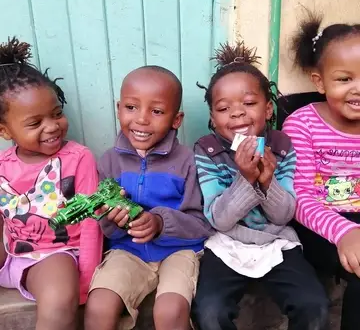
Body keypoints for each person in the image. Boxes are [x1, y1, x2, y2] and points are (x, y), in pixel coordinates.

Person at [191, 42, 329, 330]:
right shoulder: (207, 150)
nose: (238, 114)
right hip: (226, 244)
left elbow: (283, 215)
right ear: (213, 119)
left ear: (268, 109)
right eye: (223, 108)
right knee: (209, 311)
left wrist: (267, 179)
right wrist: (246, 177)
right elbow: (219, 218)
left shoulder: (282, 146)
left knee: (313, 305)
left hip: (277, 241)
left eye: (249, 103)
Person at [84, 65, 213, 330]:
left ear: (176, 119)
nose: (142, 119)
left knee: (170, 311)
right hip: (127, 251)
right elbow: (104, 223)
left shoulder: (189, 161)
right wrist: (113, 220)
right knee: (99, 305)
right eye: (131, 107)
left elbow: (200, 224)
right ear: (119, 108)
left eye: (156, 111)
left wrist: (160, 223)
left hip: (178, 251)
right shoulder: (109, 161)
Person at [0, 37, 102, 330]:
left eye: (56, 114)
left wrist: (86, 280)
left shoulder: (77, 158)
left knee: (58, 293)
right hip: (14, 255)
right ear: (5, 130)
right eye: (35, 123)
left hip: (59, 253)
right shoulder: (2, 167)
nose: (52, 126)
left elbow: (92, 220)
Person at [282, 12, 360, 330]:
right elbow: (298, 197)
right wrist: (345, 233)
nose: (358, 89)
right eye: (345, 79)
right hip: (318, 225)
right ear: (320, 81)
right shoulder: (302, 124)